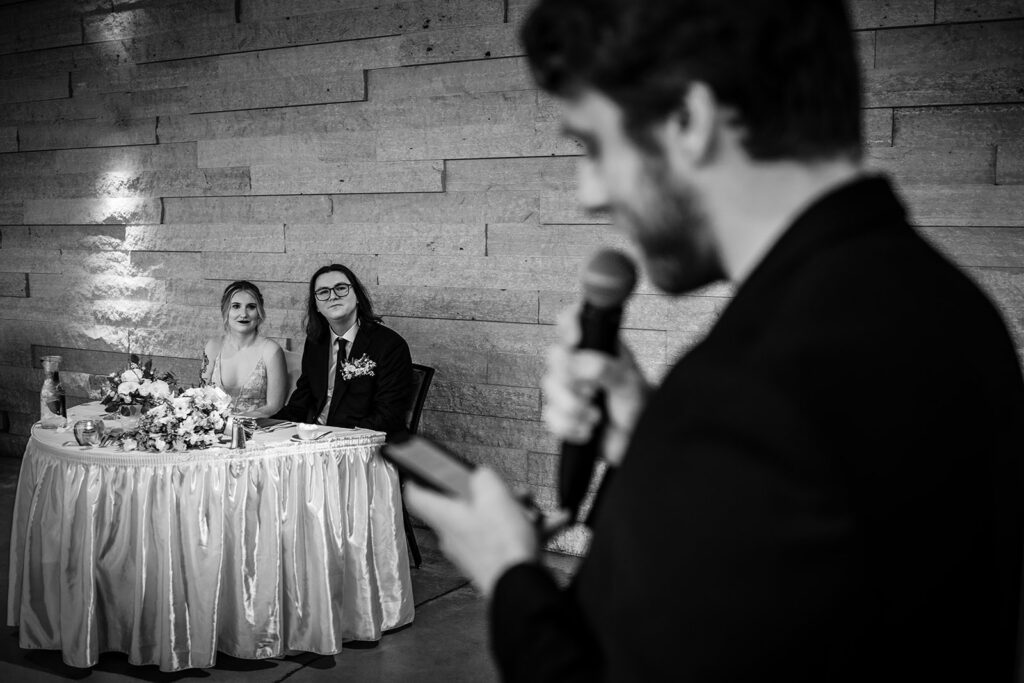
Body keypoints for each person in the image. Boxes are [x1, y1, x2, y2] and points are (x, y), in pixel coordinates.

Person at [405, 1, 1024, 681]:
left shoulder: (744, 390)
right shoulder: (953, 306)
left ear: (689, 121)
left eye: (591, 145)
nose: (588, 192)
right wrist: (650, 439)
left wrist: (510, 574)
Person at [274, 263, 413, 439]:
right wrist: (264, 426)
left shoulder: (390, 345)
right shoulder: (316, 343)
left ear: (357, 297)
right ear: (316, 305)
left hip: (364, 443)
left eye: (340, 288)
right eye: (323, 292)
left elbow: (389, 415)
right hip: (314, 437)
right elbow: (301, 401)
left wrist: (337, 438)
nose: (332, 296)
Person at [202, 280, 288, 418]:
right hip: (214, 432)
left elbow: (275, 407)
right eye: (236, 306)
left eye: (251, 307)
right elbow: (201, 396)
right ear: (226, 310)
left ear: (259, 312)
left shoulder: (272, 351)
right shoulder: (212, 347)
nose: (244, 314)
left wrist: (236, 422)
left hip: (257, 432)